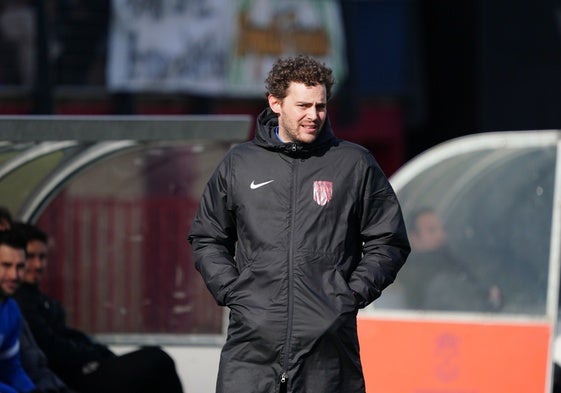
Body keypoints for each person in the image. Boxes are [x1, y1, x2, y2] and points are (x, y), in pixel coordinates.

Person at [188, 55, 410, 393]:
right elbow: (207, 237)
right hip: (251, 347)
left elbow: (388, 240)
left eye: (321, 106)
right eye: (303, 105)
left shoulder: (354, 163)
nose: (314, 116)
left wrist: (348, 296)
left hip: (328, 349)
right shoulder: (239, 164)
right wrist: (235, 293)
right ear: (275, 103)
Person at [12, 223, 184, 393]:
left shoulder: (36, 297)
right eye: (31, 257)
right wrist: (93, 354)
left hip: (85, 368)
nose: (38, 265)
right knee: (157, 360)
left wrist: (95, 349)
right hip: (73, 378)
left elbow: (64, 334)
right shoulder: (19, 302)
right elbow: (51, 347)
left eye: (42, 257)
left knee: (153, 365)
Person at [399, 207, 501, 311]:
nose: (441, 235)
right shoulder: (410, 273)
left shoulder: (453, 260)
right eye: (432, 230)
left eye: (442, 229)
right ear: (413, 238)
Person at [0, 229, 38, 393]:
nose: (14, 275)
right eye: (6, 265)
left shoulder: (11, 310)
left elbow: (11, 368)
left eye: (20, 267)